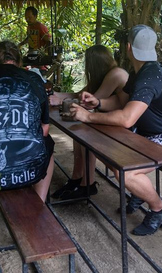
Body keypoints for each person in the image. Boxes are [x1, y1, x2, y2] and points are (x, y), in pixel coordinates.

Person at [70, 25, 162, 236]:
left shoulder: (150, 77)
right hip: (146, 136)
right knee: (102, 148)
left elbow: (126, 118)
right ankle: (139, 192)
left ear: (128, 48)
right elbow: (120, 100)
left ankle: (158, 208)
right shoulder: (141, 72)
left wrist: (88, 116)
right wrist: (97, 102)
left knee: (126, 171)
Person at [0, 40, 55, 241]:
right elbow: (45, 130)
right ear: (19, 61)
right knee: (48, 146)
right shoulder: (34, 79)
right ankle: (37, 207)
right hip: (30, 173)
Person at [48, 45, 129, 200]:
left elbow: (88, 102)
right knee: (79, 129)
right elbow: (79, 94)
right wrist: (57, 95)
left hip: (125, 124)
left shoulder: (116, 74)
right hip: (112, 119)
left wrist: (61, 100)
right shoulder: (105, 75)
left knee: (86, 132)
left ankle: (87, 184)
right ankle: (77, 177)